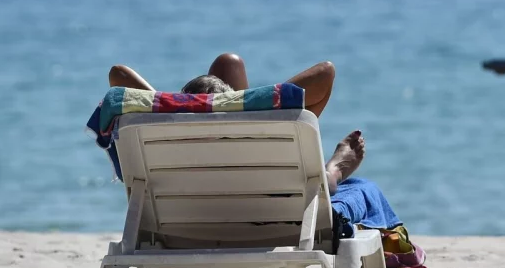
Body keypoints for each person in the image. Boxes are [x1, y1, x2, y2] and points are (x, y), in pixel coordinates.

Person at [107, 54, 364, 194]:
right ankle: (334, 169)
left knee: (227, 63)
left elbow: (118, 74)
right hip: (263, 211)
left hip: (179, 218)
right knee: (320, 180)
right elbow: (325, 72)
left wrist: (172, 112)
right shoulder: (261, 151)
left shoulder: (163, 146)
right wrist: (241, 108)